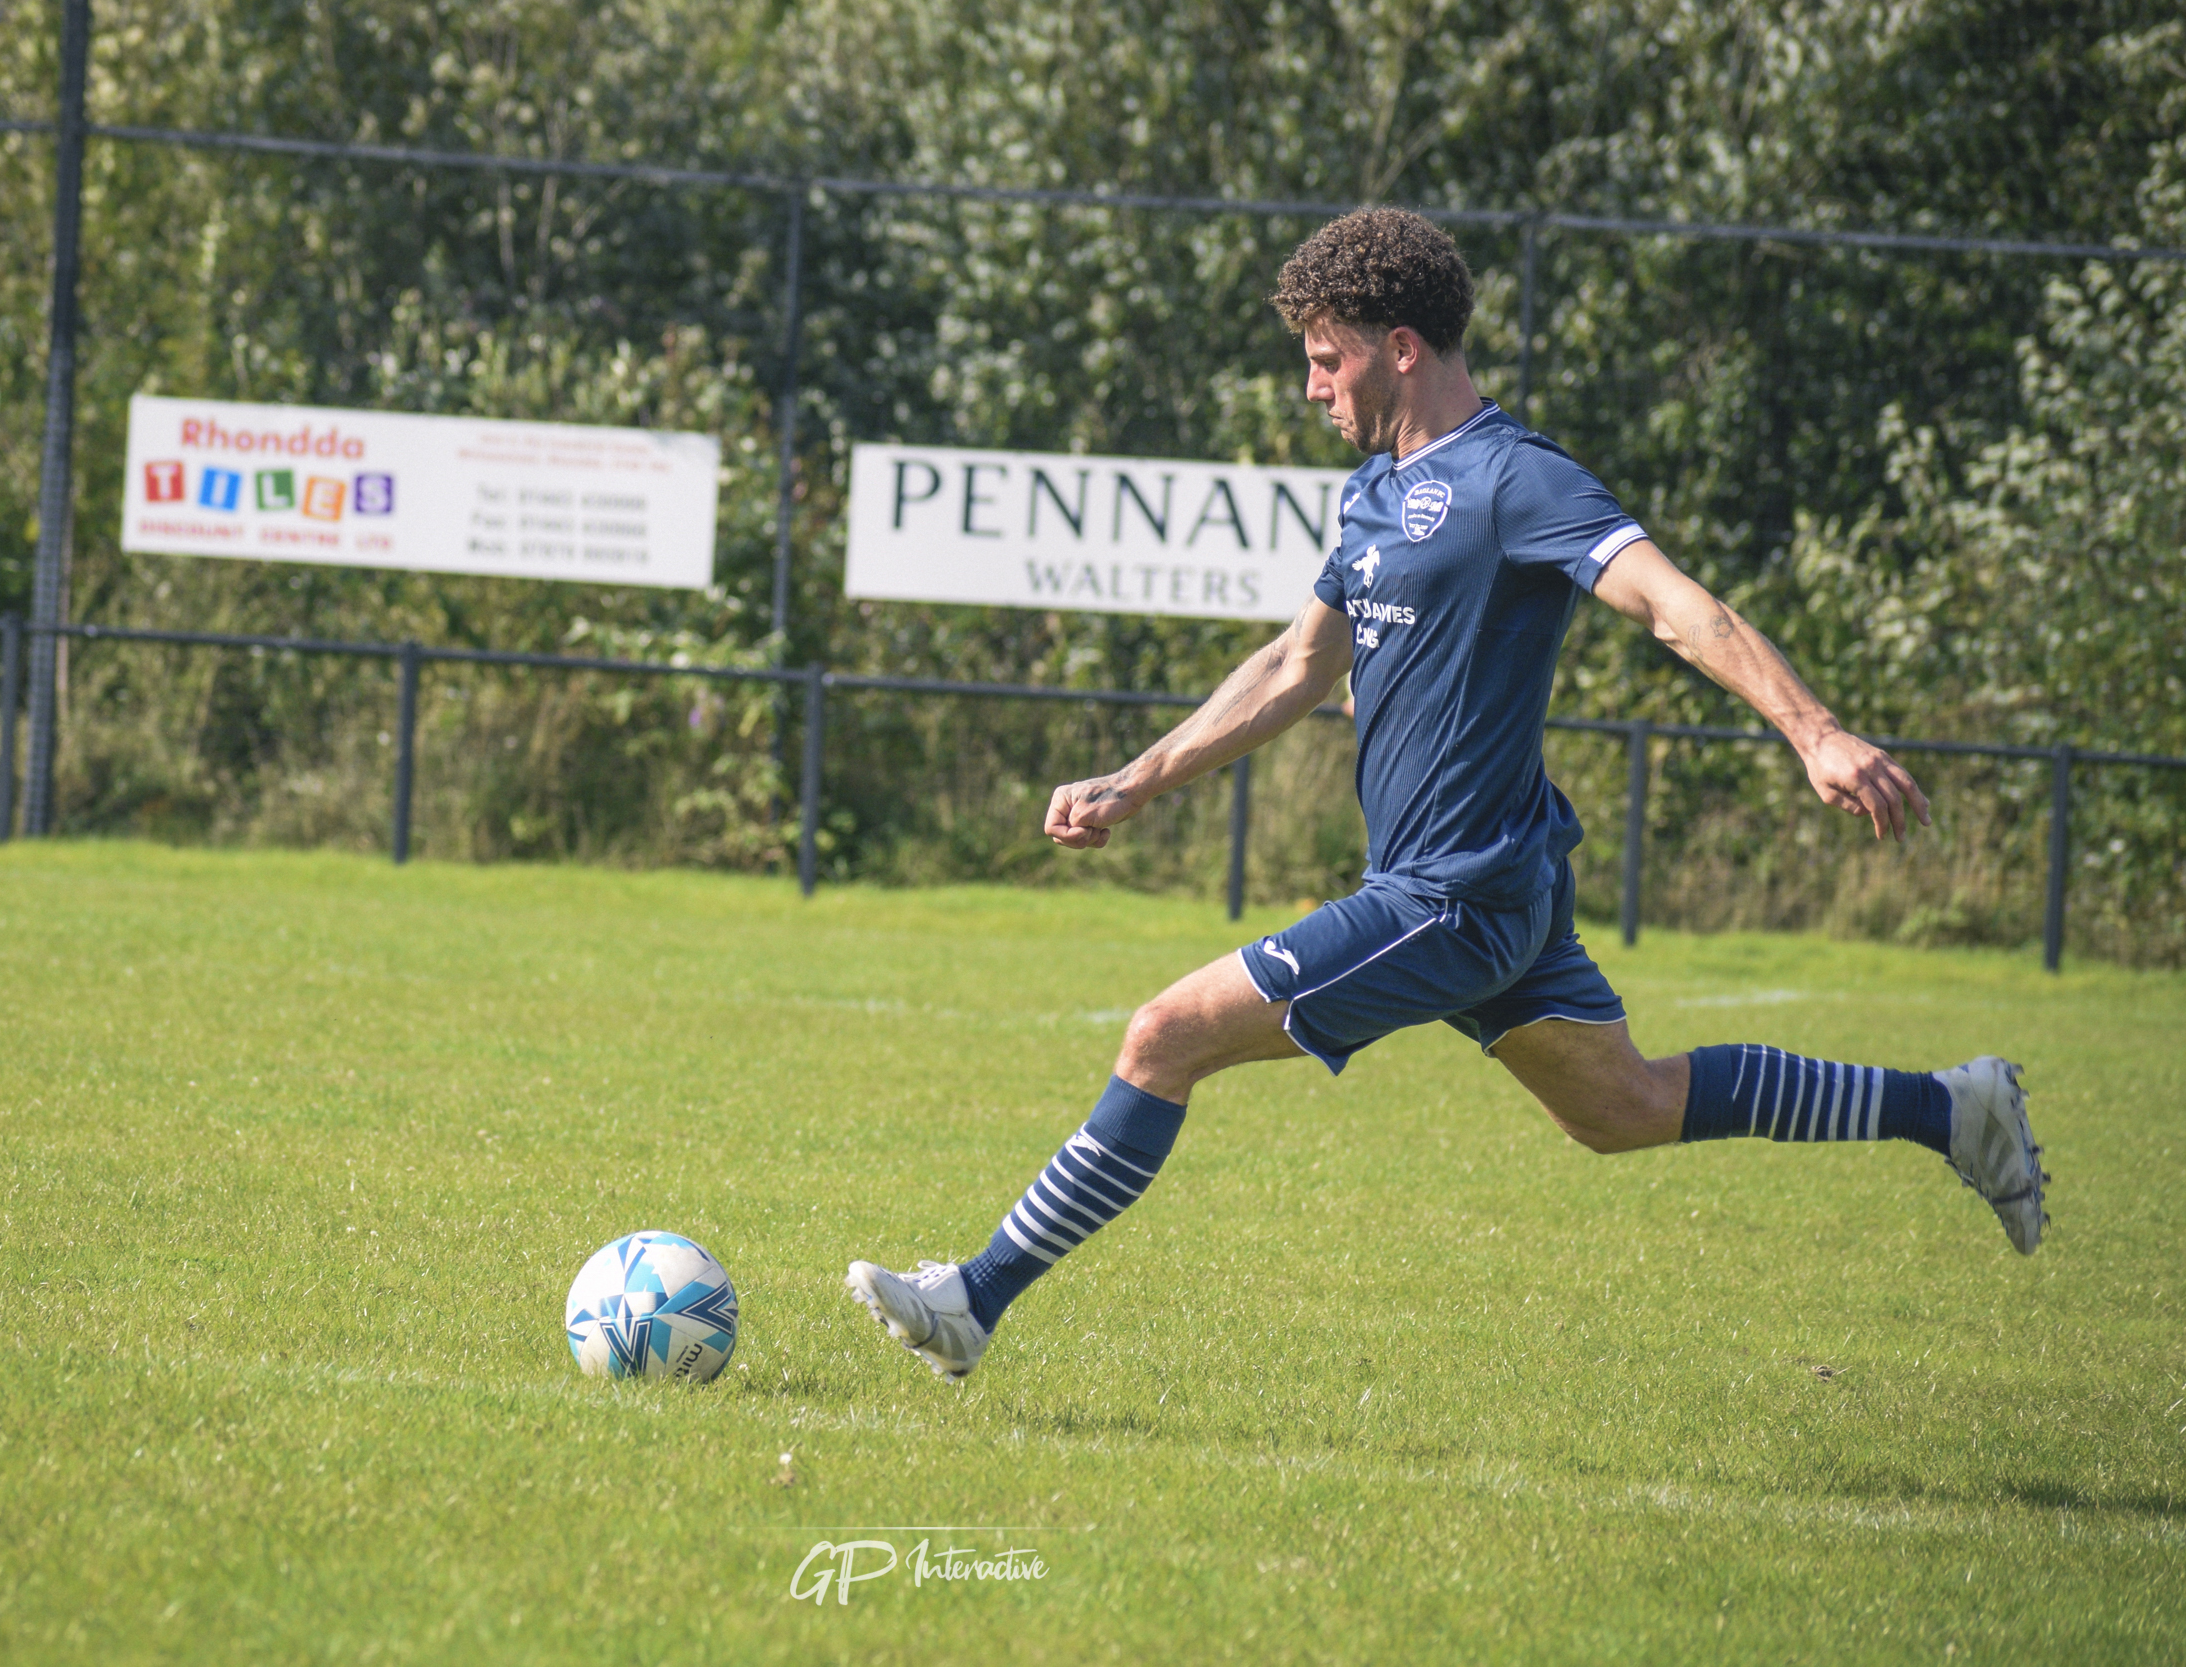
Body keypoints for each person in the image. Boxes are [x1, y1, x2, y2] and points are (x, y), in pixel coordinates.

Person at [846, 207, 2048, 1382]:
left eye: (1326, 360)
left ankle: (973, 1298)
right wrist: (1138, 778)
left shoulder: (1518, 479)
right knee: (1623, 1105)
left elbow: (1675, 604)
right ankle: (1952, 1110)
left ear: (1399, 347)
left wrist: (1815, 730)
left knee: (1164, 1035)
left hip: (1455, 892)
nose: (1313, 389)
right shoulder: (1372, 495)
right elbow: (1292, 664)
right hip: (1491, 879)